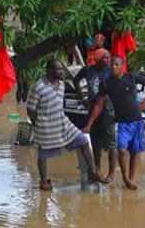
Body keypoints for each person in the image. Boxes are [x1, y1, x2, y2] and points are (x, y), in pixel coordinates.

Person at [27, 59, 106, 190]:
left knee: (82, 140)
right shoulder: (39, 87)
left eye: (62, 69)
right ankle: (43, 181)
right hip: (45, 125)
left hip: (62, 122)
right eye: (58, 70)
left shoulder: (62, 85)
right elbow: (30, 109)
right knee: (43, 152)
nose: (62, 72)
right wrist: (39, 123)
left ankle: (92, 171)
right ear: (49, 71)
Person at [83, 56, 145, 190]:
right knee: (121, 150)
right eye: (112, 64)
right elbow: (98, 105)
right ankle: (125, 177)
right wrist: (89, 124)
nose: (113, 67)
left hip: (137, 120)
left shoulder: (132, 77)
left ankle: (131, 179)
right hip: (121, 122)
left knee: (135, 151)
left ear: (122, 65)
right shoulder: (106, 83)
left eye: (116, 65)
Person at [73, 48, 117, 181]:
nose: (108, 61)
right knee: (96, 144)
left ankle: (111, 174)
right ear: (97, 59)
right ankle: (96, 169)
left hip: (109, 112)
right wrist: (82, 97)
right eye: (105, 58)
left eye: (109, 58)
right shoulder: (88, 70)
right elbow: (76, 81)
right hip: (93, 110)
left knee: (111, 145)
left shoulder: (111, 72)